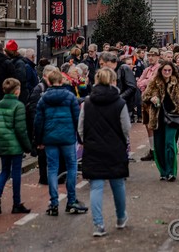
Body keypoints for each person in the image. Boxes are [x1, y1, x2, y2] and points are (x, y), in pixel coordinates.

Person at [78, 67, 130, 237]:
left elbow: (81, 127)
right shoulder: (120, 103)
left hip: (94, 148)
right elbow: (126, 127)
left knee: (96, 186)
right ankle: (121, 217)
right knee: (118, 184)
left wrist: (87, 141)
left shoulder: (87, 103)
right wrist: (124, 142)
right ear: (113, 81)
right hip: (115, 148)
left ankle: (98, 225)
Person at [34, 69, 86, 216]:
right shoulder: (70, 97)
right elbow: (77, 119)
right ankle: (71, 200)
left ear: (49, 82)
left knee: (52, 168)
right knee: (71, 167)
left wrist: (38, 141)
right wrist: (81, 139)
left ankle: (54, 202)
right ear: (62, 81)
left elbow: (38, 122)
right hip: (67, 138)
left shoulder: (43, 99)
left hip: (50, 138)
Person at [142, 61, 179, 181]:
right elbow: (144, 97)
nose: (167, 72)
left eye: (169, 70)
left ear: (173, 71)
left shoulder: (178, 83)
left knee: (170, 143)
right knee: (158, 145)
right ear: (161, 71)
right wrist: (151, 99)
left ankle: (171, 172)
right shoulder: (154, 82)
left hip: (173, 117)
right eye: (165, 70)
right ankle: (163, 171)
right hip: (157, 117)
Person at [0, 78, 32, 215]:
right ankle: (16, 203)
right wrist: (28, 146)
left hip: (2, 142)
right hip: (15, 144)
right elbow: (20, 129)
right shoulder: (18, 106)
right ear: (17, 91)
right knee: (16, 173)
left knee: (4, 171)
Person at [137, 48, 160, 161]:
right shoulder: (147, 69)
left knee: (155, 124)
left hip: (154, 100)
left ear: (158, 57)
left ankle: (158, 150)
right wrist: (144, 83)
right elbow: (139, 82)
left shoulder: (159, 68)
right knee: (147, 125)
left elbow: (152, 81)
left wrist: (145, 82)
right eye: (149, 55)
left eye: (153, 55)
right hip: (145, 99)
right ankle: (152, 149)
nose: (150, 57)